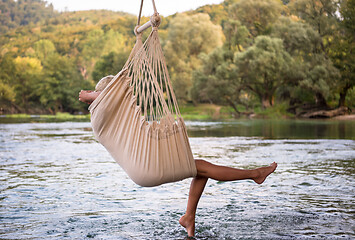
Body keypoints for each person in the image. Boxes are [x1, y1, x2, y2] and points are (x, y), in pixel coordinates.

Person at [79, 80, 278, 238]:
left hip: (143, 168)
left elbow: (110, 98)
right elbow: (106, 98)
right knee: (201, 168)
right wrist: (90, 95)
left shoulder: (111, 119)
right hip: (146, 169)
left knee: (200, 169)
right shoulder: (101, 118)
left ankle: (189, 217)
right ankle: (255, 174)